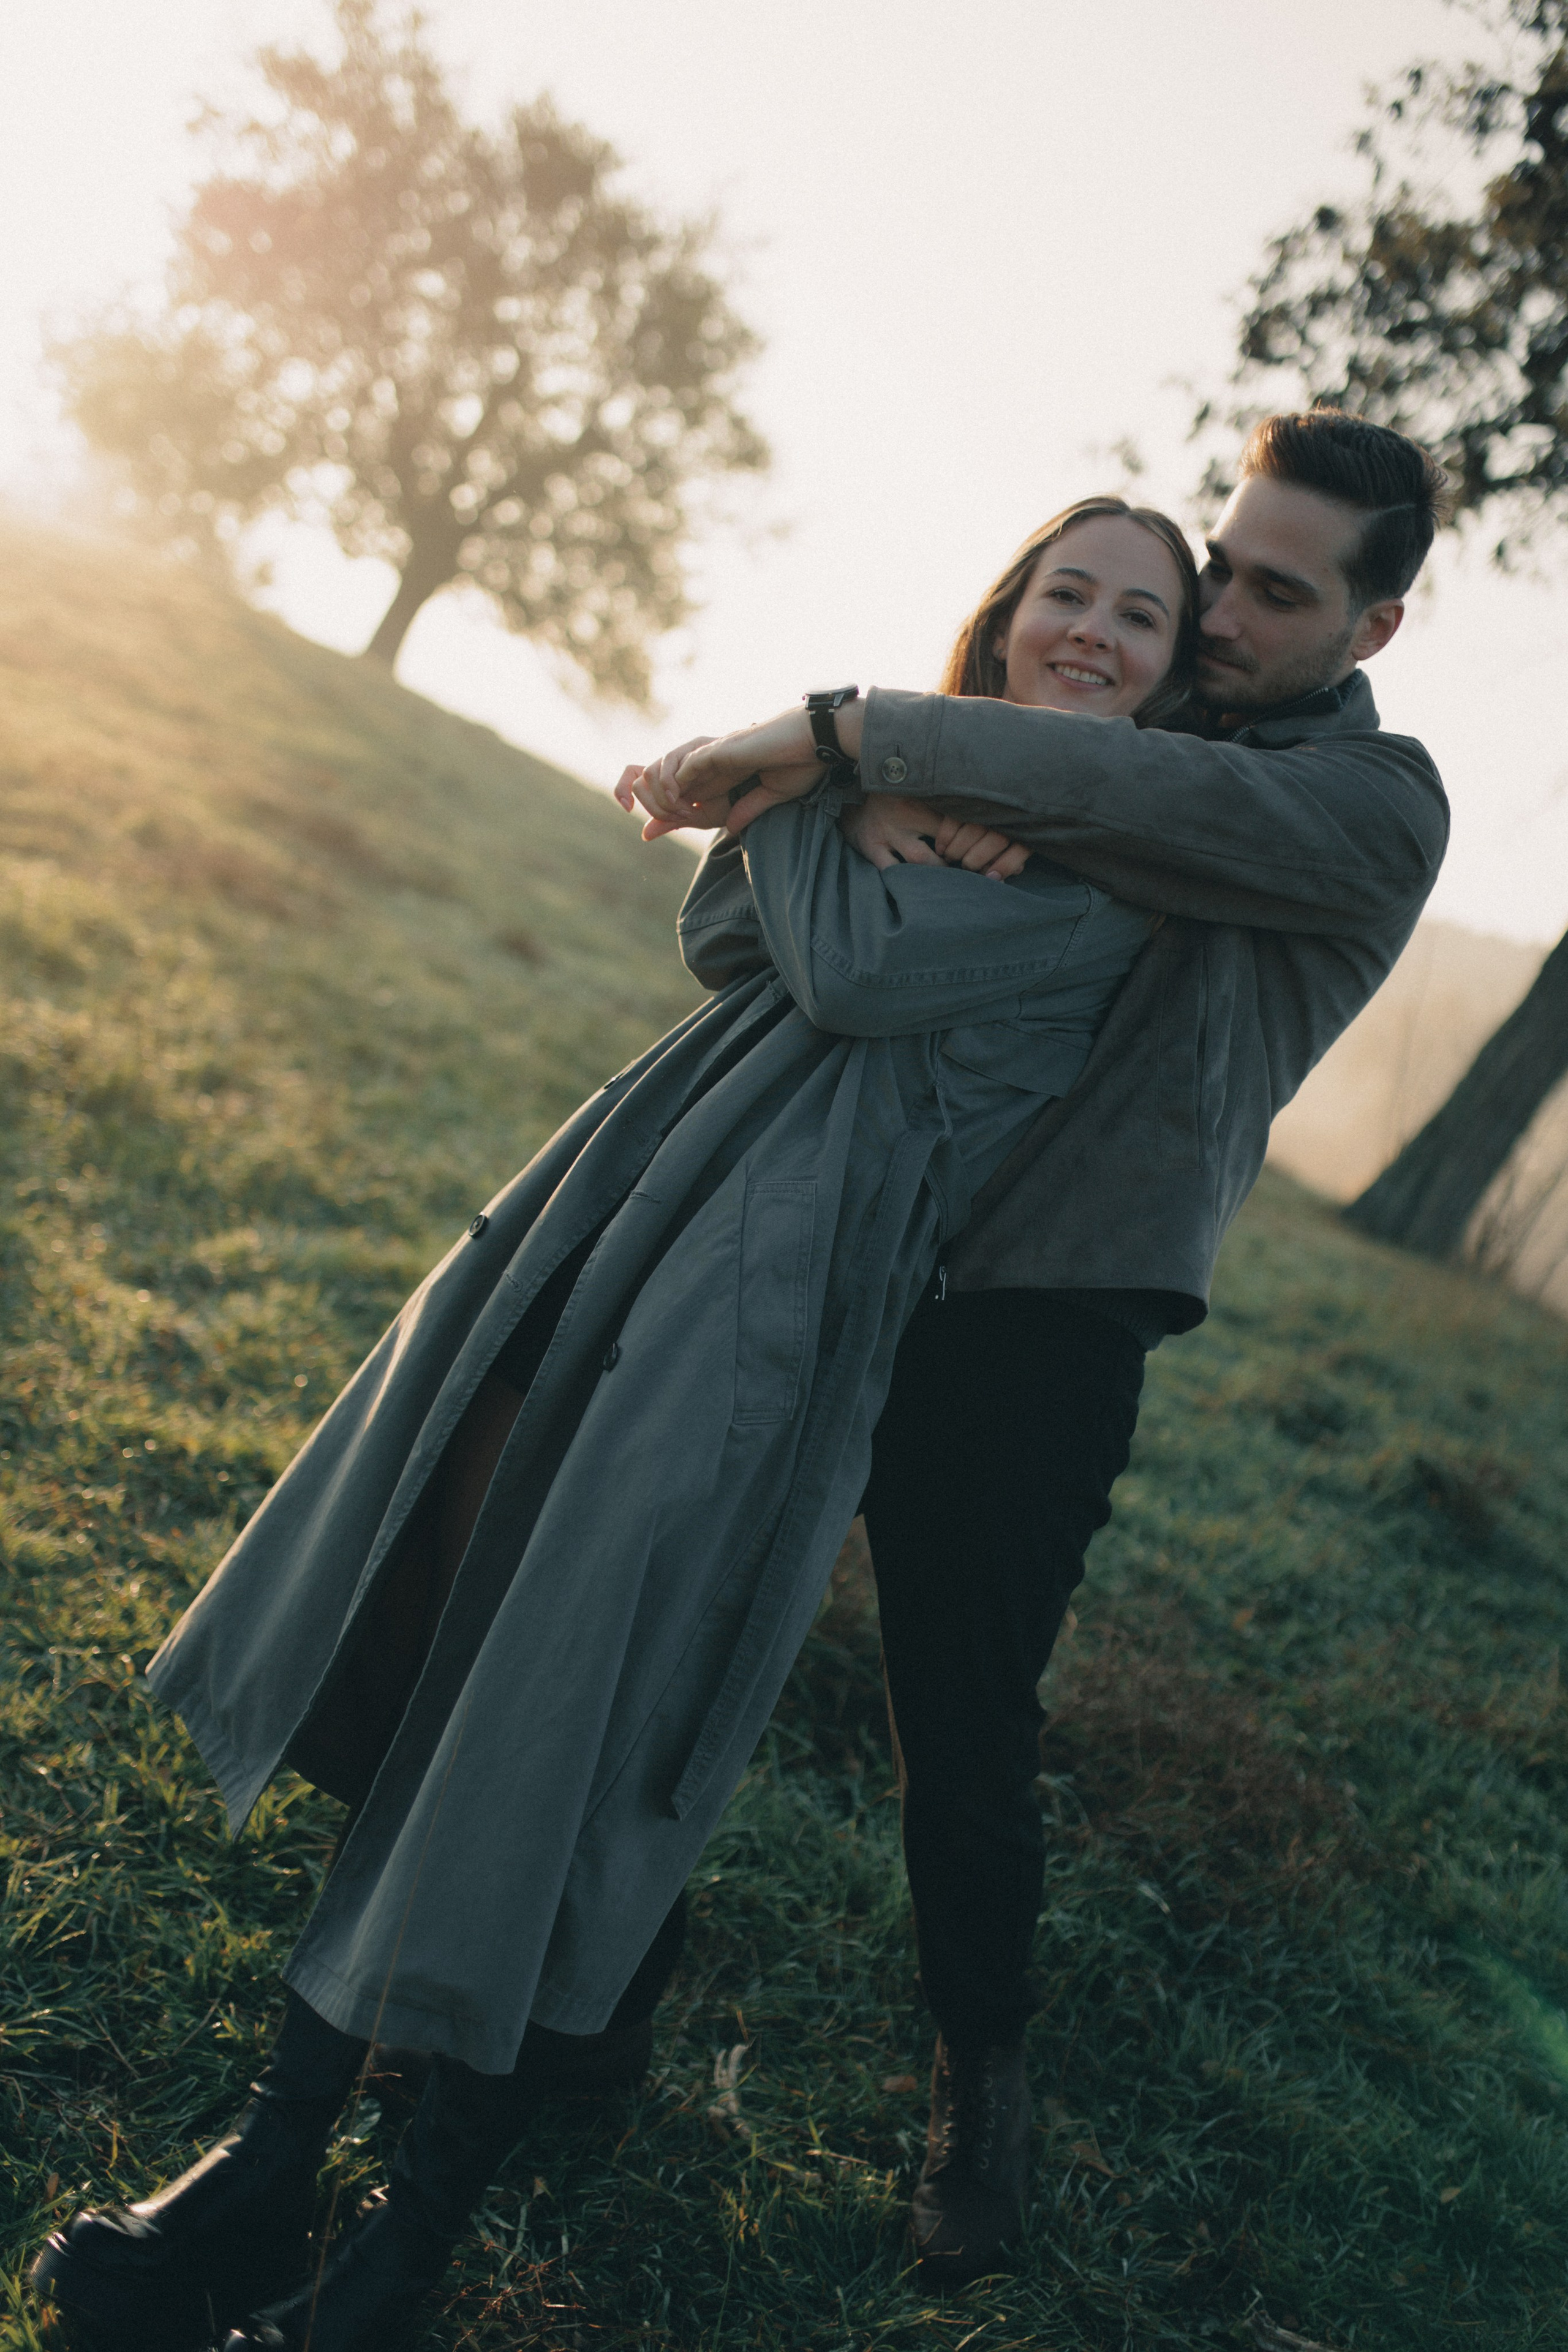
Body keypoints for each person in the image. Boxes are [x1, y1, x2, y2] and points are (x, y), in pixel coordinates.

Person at [32, 497, 1201, 2352]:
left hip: (762, 1324)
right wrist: (846, 812)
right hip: (608, 1228)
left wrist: (813, 791)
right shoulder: (914, 806)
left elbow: (858, 972)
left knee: (562, 1737)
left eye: (1141, 617)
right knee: (453, 1679)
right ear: (1002, 619)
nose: (1093, 632)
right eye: (1067, 592)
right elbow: (721, 926)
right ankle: (271, 2161)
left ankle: (403, 2247)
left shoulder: (1116, 880)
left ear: (1171, 676)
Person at [625, 407, 1452, 2283]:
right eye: (1220, 569)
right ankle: (599, 1994)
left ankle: (978, 2096)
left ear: (1376, 628)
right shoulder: (1126, 701)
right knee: (690, 1611)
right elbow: (984, 795)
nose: (1220, 614)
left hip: (1050, 1306)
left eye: (1278, 593)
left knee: (965, 1713)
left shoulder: (1371, 806)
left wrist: (840, 734)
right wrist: (864, 805)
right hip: (859, 1228)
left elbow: (1132, 805)